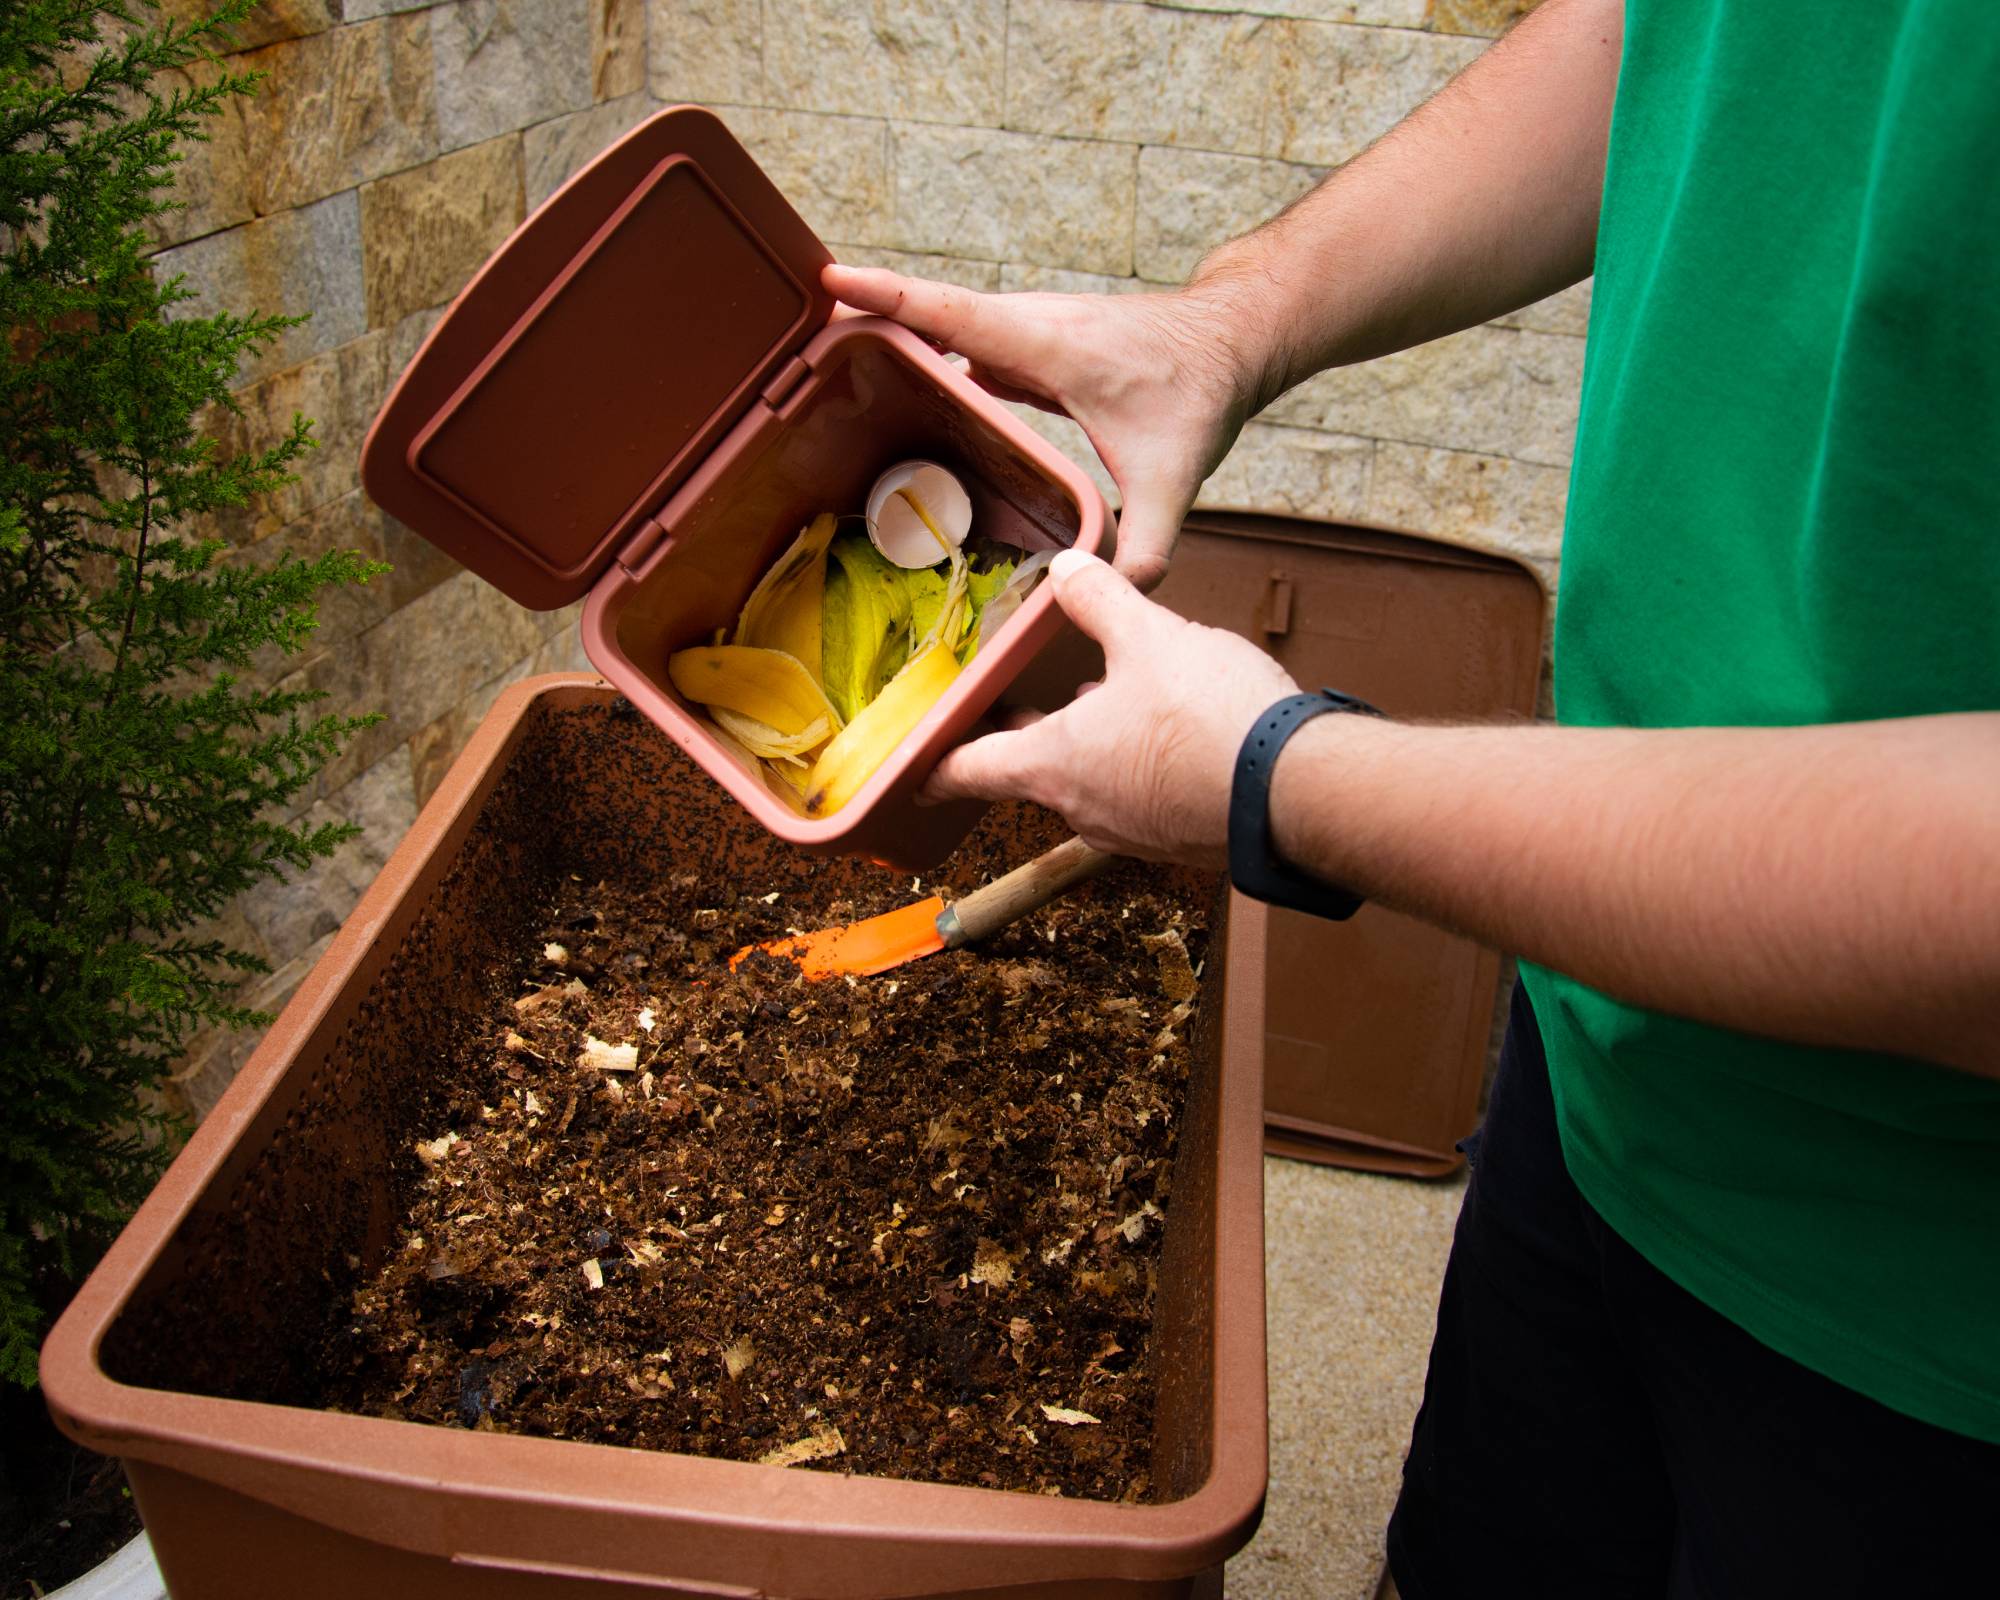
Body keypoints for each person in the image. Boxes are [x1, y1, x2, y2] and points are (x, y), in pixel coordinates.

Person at [821, 0, 2000, 1591]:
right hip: (1608, 1063)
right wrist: (1231, 319)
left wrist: (1283, 774)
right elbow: (1687, 44)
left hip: (1929, 1334)